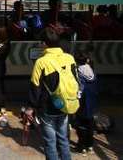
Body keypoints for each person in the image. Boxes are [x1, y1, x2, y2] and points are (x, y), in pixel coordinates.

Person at [26, 27, 80, 160]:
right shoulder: (69, 58)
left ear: (45, 43)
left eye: (41, 42)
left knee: (50, 142)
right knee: (63, 139)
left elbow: (35, 87)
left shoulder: (41, 62)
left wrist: (30, 108)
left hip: (48, 107)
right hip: (66, 104)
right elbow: (76, 79)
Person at [74, 53, 98, 154]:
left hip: (82, 101)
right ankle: (90, 145)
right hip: (92, 101)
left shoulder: (78, 71)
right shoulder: (91, 70)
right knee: (90, 124)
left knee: (80, 124)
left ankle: (81, 146)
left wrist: (76, 98)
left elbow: (80, 87)